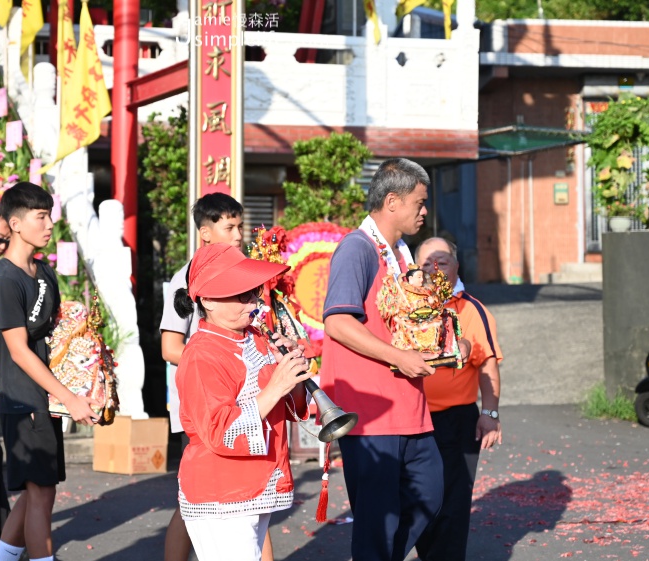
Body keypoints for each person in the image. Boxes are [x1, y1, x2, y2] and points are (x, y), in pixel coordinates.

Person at [321, 157, 444, 561]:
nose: (425, 211)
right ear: (392, 201)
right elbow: (338, 323)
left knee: (430, 494)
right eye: (419, 202)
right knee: (378, 524)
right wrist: (399, 356)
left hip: (408, 404)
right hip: (371, 410)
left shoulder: (402, 252)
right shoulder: (357, 248)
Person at [174, 243, 312, 560]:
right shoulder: (201, 355)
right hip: (222, 491)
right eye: (240, 295)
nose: (252, 303)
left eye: (252, 293)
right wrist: (276, 386)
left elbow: (285, 408)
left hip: (257, 482)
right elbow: (220, 433)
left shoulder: (256, 335)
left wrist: (293, 377)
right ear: (206, 300)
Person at [0, 182, 99, 561]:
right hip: (22, 396)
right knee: (43, 492)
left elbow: (57, 335)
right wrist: (68, 396)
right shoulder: (4, 279)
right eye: (41, 217)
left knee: (39, 488)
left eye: (50, 215)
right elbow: (18, 351)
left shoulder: (44, 272)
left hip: (45, 395)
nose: (50, 224)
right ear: (15, 224)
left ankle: (5, 557)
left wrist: (89, 373)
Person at [159, 193, 274, 561]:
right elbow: (170, 347)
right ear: (205, 233)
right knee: (199, 498)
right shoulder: (189, 277)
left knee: (255, 498)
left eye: (240, 226)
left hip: (241, 396)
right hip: (206, 400)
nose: (239, 234)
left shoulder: (243, 272)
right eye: (230, 227)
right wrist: (215, 368)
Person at [414, 237, 503, 561]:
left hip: (455, 420)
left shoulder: (471, 309)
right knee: (417, 503)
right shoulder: (405, 307)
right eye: (426, 263)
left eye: (442, 262)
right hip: (411, 421)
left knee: (451, 506)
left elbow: (488, 363)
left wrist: (489, 413)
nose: (433, 269)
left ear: (457, 266)